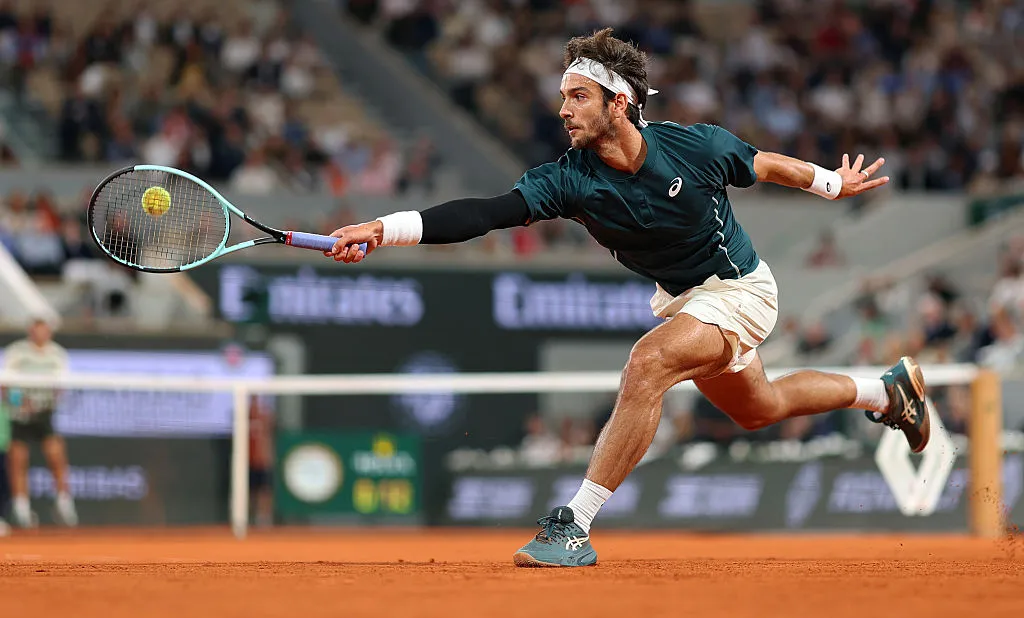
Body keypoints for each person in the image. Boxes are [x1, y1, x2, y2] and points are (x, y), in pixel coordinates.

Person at [324, 29, 928, 567]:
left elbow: (765, 165)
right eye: (562, 98)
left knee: (648, 364)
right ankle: (886, 391)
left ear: (620, 103)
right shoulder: (568, 178)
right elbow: (486, 213)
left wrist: (830, 183)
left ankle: (575, 524)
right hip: (685, 299)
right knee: (759, 409)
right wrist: (385, 228)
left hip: (740, 289)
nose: (564, 110)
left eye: (578, 96)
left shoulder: (696, 147)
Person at [1, 318, 78, 528]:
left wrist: (44, 403)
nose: (40, 335)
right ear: (30, 331)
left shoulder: (57, 354)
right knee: (17, 458)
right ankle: (21, 507)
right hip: (19, 415)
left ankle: (64, 502)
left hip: (44, 413)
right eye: (36, 331)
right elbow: (5, 385)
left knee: (55, 453)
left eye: (44, 331)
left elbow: (61, 387)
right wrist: (20, 404)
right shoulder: (17, 352)